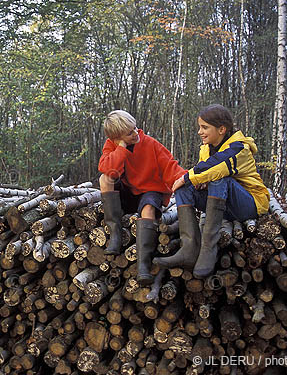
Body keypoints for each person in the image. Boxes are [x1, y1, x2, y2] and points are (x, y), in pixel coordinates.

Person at [153, 104, 269, 278]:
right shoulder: (205, 149)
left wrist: (188, 178)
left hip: (249, 205)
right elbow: (203, 170)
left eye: (205, 127)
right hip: (223, 206)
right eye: (200, 127)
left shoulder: (239, 148)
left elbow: (216, 168)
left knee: (217, 177)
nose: (200, 131)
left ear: (222, 129)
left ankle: (208, 249)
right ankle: (189, 249)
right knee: (184, 187)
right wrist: (195, 183)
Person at [98, 110, 187, 286]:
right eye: (130, 132)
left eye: (135, 128)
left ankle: (143, 265)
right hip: (128, 195)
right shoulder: (112, 146)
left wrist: (187, 178)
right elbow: (107, 168)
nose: (136, 133)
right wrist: (121, 148)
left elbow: (170, 166)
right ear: (117, 139)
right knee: (105, 178)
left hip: (150, 192)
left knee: (148, 208)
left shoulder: (150, 143)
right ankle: (115, 235)